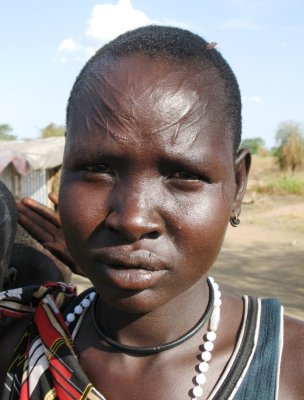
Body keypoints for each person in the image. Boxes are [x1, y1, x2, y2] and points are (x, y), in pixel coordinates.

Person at [0, 25, 303, 400]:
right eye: (98, 168)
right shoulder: (16, 343)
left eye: (183, 175)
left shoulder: (290, 369)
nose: (132, 219)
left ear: (237, 185)